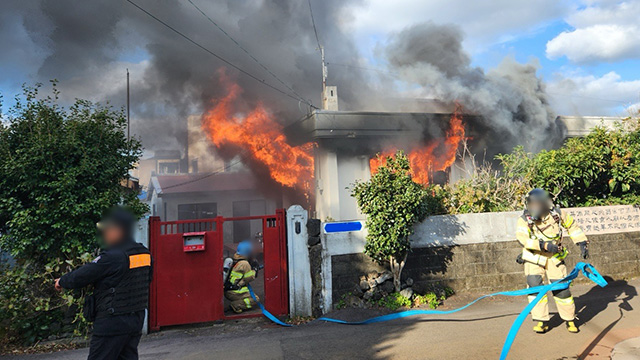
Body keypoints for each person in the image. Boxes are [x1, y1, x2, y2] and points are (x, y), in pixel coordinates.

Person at [55, 207, 152, 360]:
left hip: (112, 321)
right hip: (135, 320)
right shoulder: (144, 253)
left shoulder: (113, 256)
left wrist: (62, 281)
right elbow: (148, 279)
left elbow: (83, 274)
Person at [516, 188, 589, 334]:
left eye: (536, 204)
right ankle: (541, 320)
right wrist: (542, 245)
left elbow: (572, 226)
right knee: (535, 288)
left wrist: (581, 242)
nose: (533, 208)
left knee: (561, 289)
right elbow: (522, 238)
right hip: (534, 258)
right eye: (531, 204)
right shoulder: (525, 219)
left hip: (554, 258)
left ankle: (569, 319)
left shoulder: (557, 214)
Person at [224, 240, 259, 313]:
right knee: (255, 299)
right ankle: (236, 305)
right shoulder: (245, 264)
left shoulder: (235, 259)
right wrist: (254, 270)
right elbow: (249, 278)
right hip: (235, 292)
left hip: (228, 290)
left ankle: (238, 301)